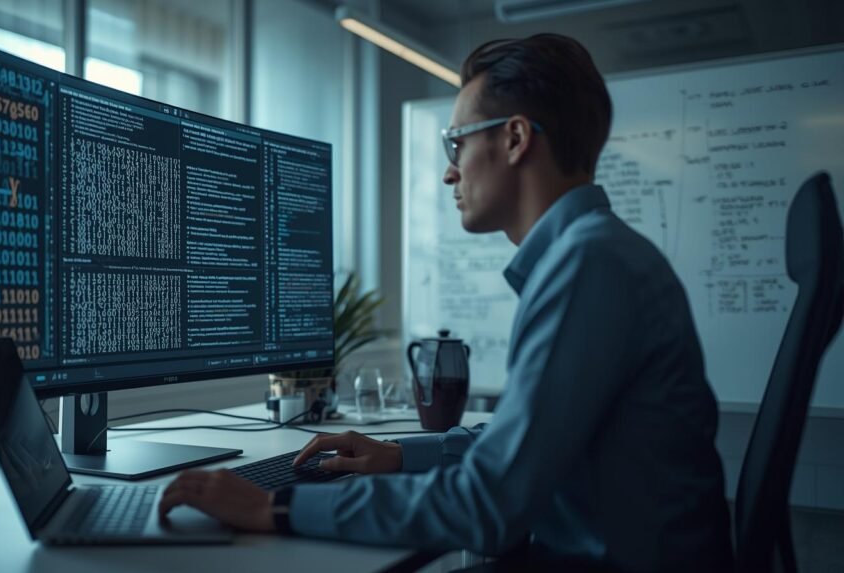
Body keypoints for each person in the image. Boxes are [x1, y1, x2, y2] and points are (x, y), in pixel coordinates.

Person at [159, 34, 734, 572]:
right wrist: (399, 455)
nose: (448, 172)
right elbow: (520, 445)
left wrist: (275, 507)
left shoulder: (587, 267)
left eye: (457, 142)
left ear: (515, 139)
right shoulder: (598, 254)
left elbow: (488, 503)